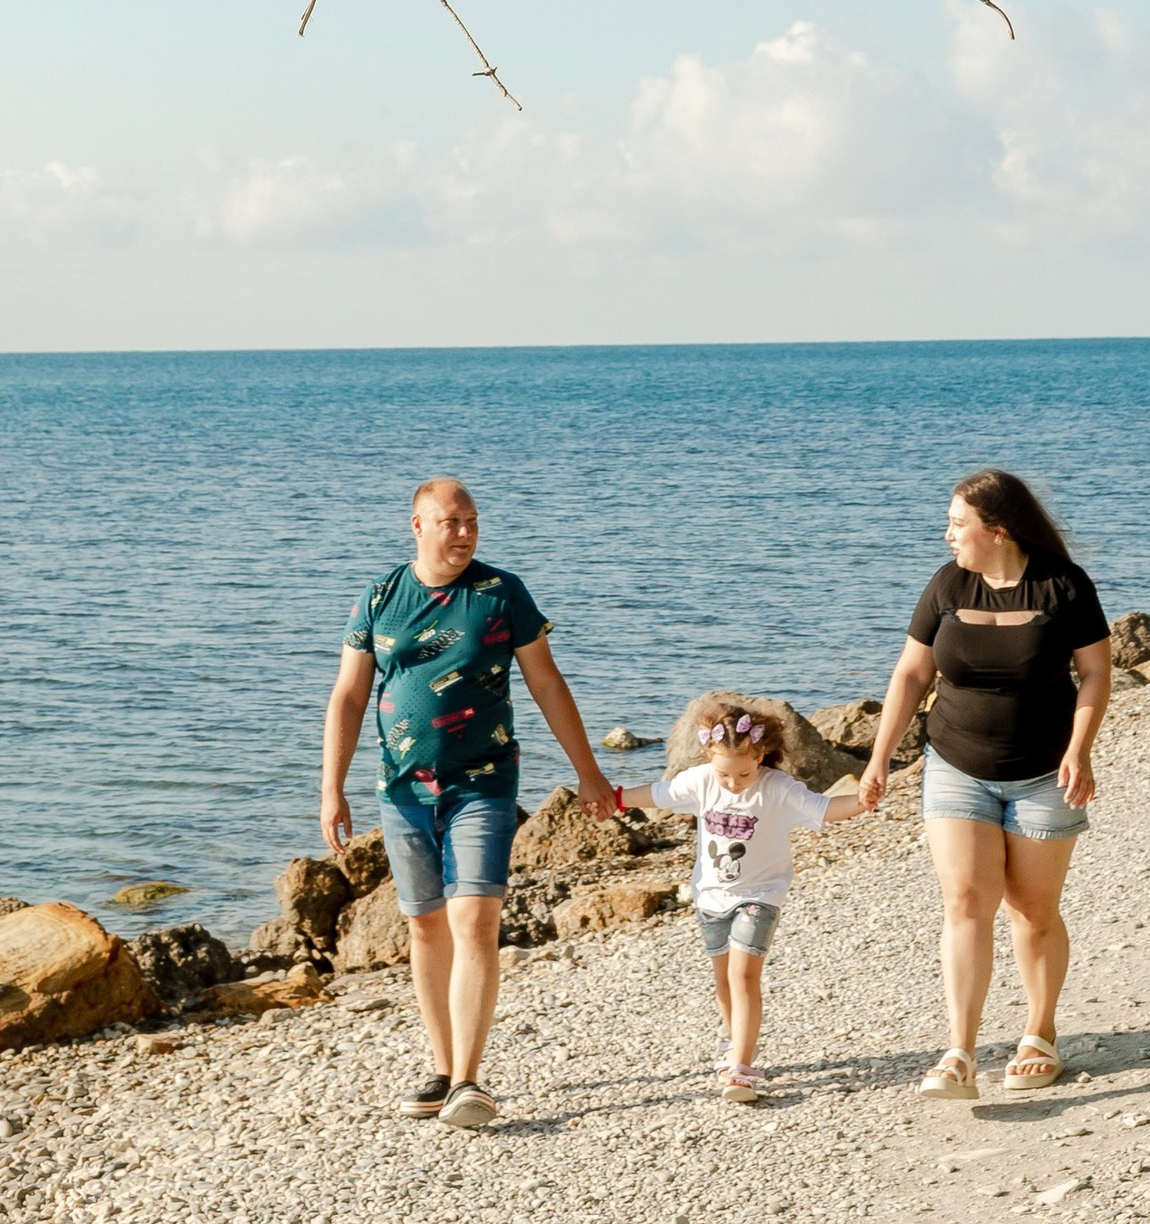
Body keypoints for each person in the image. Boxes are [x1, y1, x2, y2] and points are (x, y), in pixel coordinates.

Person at [321, 475, 618, 1130]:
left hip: (484, 783)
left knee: (475, 920)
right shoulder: (379, 597)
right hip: (402, 789)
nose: (463, 533)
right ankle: (441, 1064)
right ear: (418, 525)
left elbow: (546, 681)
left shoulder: (501, 593)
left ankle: (469, 1080)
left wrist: (589, 771)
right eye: (450, 522)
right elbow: (348, 695)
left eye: (472, 521)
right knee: (425, 924)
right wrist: (331, 787)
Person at [858, 467, 1112, 1099]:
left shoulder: (1063, 586)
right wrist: (878, 758)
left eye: (957, 524)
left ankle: (1039, 1033)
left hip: (1045, 771)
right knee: (967, 899)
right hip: (955, 764)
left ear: (996, 530)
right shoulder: (947, 584)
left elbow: (1097, 675)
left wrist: (1080, 751)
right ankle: (960, 1052)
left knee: (1032, 908)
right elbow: (911, 676)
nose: (947, 535)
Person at [650, 694, 867, 1102]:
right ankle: (735, 1043)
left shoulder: (777, 789)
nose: (733, 783)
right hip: (710, 896)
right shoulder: (699, 781)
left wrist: (863, 801)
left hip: (761, 894)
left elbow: (822, 808)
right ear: (706, 756)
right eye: (724, 775)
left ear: (761, 755)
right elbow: (659, 795)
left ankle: (741, 1068)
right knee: (722, 978)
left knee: (743, 975)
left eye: (744, 774)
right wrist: (613, 796)